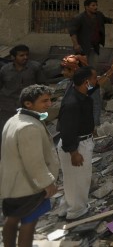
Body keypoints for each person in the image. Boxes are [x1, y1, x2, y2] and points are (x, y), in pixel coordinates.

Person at [0, 85, 59, 247]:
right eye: (44, 101)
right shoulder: (29, 127)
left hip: (11, 183)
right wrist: (47, 182)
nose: (49, 105)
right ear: (28, 104)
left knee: (11, 219)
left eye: (49, 100)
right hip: (27, 185)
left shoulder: (14, 119)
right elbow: (33, 161)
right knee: (29, 222)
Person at [55, 67, 96, 221]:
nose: (95, 82)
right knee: (79, 180)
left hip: (79, 142)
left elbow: (94, 89)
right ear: (86, 82)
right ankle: (76, 212)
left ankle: (67, 207)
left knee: (72, 180)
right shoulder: (72, 103)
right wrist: (73, 152)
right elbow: (67, 129)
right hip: (76, 146)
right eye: (93, 79)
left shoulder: (79, 92)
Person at [68, 0, 113, 66]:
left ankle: (92, 75)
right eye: (93, 5)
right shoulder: (79, 18)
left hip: (95, 46)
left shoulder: (99, 15)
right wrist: (76, 44)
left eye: (96, 5)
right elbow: (73, 32)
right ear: (86, 7)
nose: (96, 7)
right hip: (83, 47)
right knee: (80, 67)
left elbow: (109, 20)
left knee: (93, 67)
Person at [0, 45, 47, 135]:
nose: (25, 57)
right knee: (6, 131)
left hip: (28, 107)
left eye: (27, 55)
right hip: (8, 107)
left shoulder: (35, 67)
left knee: (28, 131)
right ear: (13, 57)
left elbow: (43, 86)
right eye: (21, 55)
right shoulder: (5, 70)